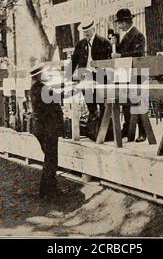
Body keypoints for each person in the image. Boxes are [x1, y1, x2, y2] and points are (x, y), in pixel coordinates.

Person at [30, 63, 64, 199]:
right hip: (48, 129)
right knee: (51, 160)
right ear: (39, 75)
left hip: (40, 129)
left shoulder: (33, 89)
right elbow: (55, 104)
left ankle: (47, 190)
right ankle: (48, 191)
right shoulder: (43, 89)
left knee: (49, 159)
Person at [113, 8, 146, 142]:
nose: (119, 26)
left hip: (135, 75)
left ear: (125, 22)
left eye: (119, 23)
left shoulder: (138, 35)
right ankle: (127, 129)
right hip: (124, 75)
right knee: (125, 103)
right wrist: (114, 46)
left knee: (137, 103)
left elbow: (138, 53)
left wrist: (121, 55)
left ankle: (143, 132)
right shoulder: (125, 36)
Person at [69, 19, 112, 119]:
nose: (86, 34)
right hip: (86, 75)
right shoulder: (80, 44)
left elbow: (109, 62)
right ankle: (93, 116)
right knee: (88, 99)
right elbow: (74, 61)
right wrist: (68, 76)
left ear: (93, 29)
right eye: (84, 32)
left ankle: (103, 124)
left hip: (100, 75)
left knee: (101, 101)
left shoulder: (103, 42)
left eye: (87, 31)